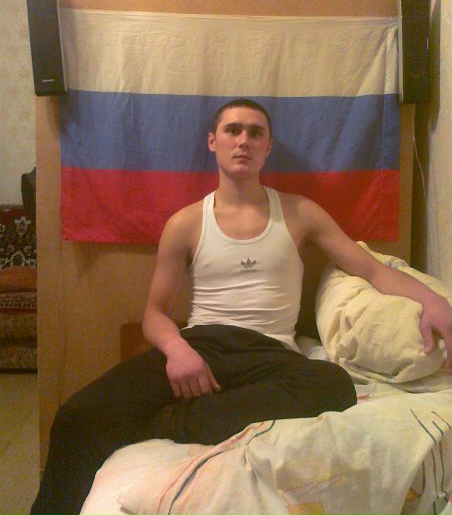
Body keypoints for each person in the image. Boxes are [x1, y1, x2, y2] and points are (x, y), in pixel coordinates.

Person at [31, 99, 452, 515]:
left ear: (268, 147)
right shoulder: (186, 222)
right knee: (76, 416)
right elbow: (154, 314)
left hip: (270, 353)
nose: (243, 140)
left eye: (255, 132)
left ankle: (167, 423)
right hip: (201, 347)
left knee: (333, 385)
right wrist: (178, 351)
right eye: (233, 130)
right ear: (213, 142)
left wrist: (433, 301)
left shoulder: (300, 212)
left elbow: (373, 270)